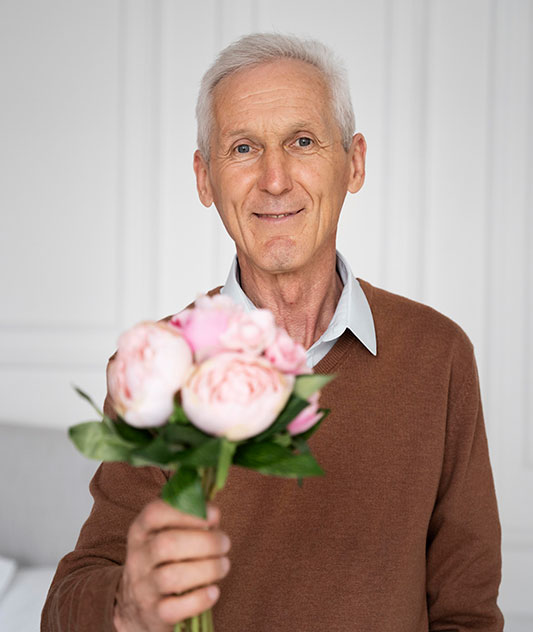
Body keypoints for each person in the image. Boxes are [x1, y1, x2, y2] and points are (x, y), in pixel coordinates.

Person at [42, 33, 504, 631]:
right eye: (243, 148)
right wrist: (127, 607)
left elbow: (466, 611)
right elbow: (69, 602)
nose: (275, 178)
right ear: (205, 179)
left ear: (354, 162)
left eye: (302, 141)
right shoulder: (159, 366)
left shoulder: (438, 354)